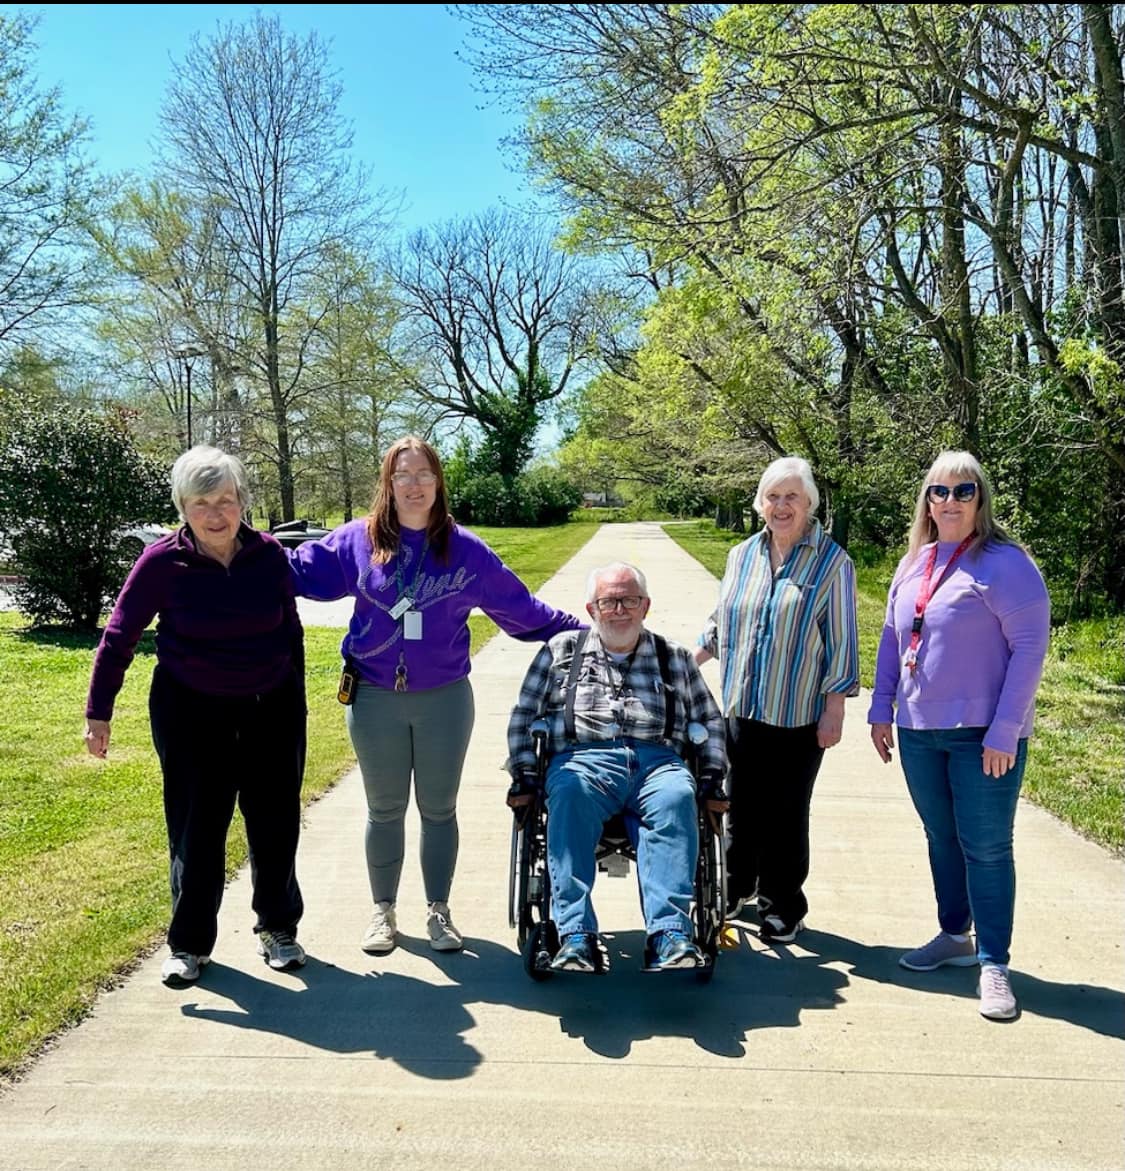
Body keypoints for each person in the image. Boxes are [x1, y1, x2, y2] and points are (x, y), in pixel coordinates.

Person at [287, 435, 583, 956]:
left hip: (445, 700)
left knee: (439, 809)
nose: (415, 484)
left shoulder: (465, 550)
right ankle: (383, 913)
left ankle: (438, 911)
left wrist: (590, 632)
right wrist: (233, 542)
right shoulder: (358, 541)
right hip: (375, 698)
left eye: (425, 473)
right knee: (383, 809)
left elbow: (523, 612)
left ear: (438, 481)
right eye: (404, 474)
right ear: (388, 482)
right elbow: (297, 571)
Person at [84, 445, 308, 987]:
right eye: (202, 502)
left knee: (274, 821)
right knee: (197, 826)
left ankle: (277, 928)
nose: (215, 514)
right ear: (183, 506)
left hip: (271, 707)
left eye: (226, 500)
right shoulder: (163, 562)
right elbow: (119, 636)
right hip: (191, 708)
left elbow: (290, 629)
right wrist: (99, 712)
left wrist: (295, 698)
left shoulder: (269, 555)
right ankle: (188, 944)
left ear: (241, 503)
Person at [867, 451, 1049, 1022]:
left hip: (982, 736)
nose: (949, 502)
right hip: (920, 730)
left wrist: (1005, 731)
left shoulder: (1007, 563)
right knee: (941, 838)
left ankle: (994, 963)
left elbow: (1029, 650)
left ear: (981, 499)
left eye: (962, 491)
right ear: (926, 500)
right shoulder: (915, 562)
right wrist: (880, 706)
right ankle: (954, 935)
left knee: (988, 847)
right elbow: (894, 639)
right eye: (938, 492)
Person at [506, 562, 728, 973]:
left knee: (679, 796)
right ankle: (575, 936)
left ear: (645, 606)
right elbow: (524, 715)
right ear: (592, 608)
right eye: (609, 601)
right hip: (583, 761)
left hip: (658, 762)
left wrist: (712, 776)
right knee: (569, 795)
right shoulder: (561, 651)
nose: (620, 609)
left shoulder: (674, 657)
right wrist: (525, 774)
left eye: (629, 600)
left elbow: (711, 719)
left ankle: (670, 935)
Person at [694, 455, 859, 943]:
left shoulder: (832, 562)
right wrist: (691, 657)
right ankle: (736, 885)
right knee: (739, 804)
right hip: (743, 704)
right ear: (760, 504)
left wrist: (835, 709)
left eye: (792, 497)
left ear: (810, 504)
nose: (781, 506)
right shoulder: (741, 555)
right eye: (773, 497)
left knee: (787, 811)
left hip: (799, 713)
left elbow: (843, 642)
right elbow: (724, 620)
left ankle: (783, 903)